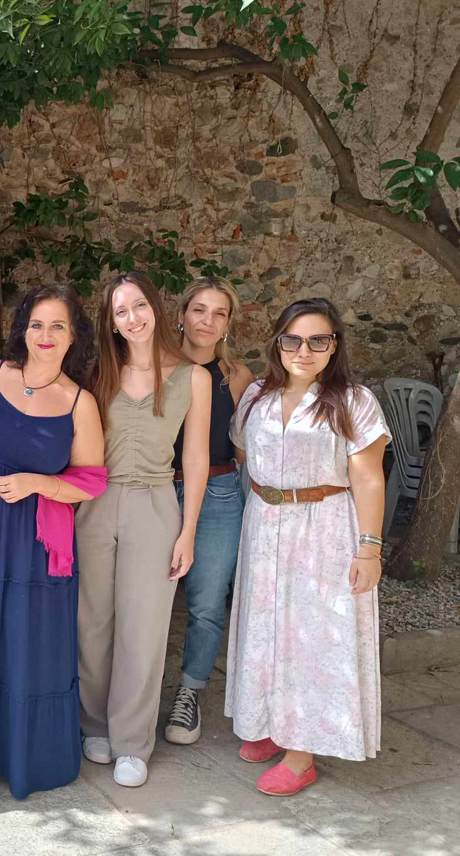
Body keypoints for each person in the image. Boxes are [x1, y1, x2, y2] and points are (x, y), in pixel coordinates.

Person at [0, 284, 107, 798]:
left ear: (74, 336)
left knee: (24, 647)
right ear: (23, 329)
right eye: (37, 324)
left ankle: (21, 756)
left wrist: (40, 483)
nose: (46, 335)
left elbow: (91, 480)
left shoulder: (79, 403)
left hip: (32, 547)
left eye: (58, 326)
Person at [226, 298, 390, 796]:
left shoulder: (353, 401)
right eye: (293, 339)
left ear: (334, 346)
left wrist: (369, 549)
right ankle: (272, 722)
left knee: (313, 636)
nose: (304, 350)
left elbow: (369, 478)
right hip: (264, 524)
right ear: (277, 343)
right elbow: (243, 452)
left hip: (324, 528)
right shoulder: (256, 395)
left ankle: (302, 754)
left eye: (318, 340)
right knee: (267, 628)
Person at [76, 271, 211, 788]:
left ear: (156, 307)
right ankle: (95, 725)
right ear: (111, 322)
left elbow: (195, 459)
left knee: (145, 626)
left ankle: (132, 742)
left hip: (156, 505)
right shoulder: (96, 375)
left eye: (139, 306)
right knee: (92, 622)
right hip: (95, 502)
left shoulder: (193, 378)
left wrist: (188, 530)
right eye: (120, 311)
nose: (132, 318)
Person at [164, 278, 256, 745]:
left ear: (228, 324)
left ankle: (190, 692)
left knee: (206, 603)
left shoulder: (237, 376)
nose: (207, 320)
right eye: (199, 309)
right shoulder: (157, 365)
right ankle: (133, 695)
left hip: (218, 493)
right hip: (157, 490)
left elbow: (245, 447)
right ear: (181, 315)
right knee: (145, 600)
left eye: (219, 313)